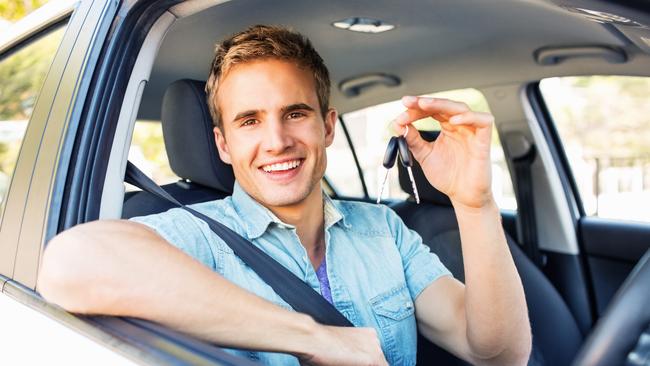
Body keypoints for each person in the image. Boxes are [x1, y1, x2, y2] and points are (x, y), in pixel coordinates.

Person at [38, 25, 531, 365]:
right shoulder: (195, 237)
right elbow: (68, 264)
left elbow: (497, 354)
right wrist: (312, 339)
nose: (276, 141)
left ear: (328, 127)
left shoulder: (384, 231)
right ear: (223, 144)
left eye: (295, 113)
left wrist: (474, 204)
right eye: (249, 121)